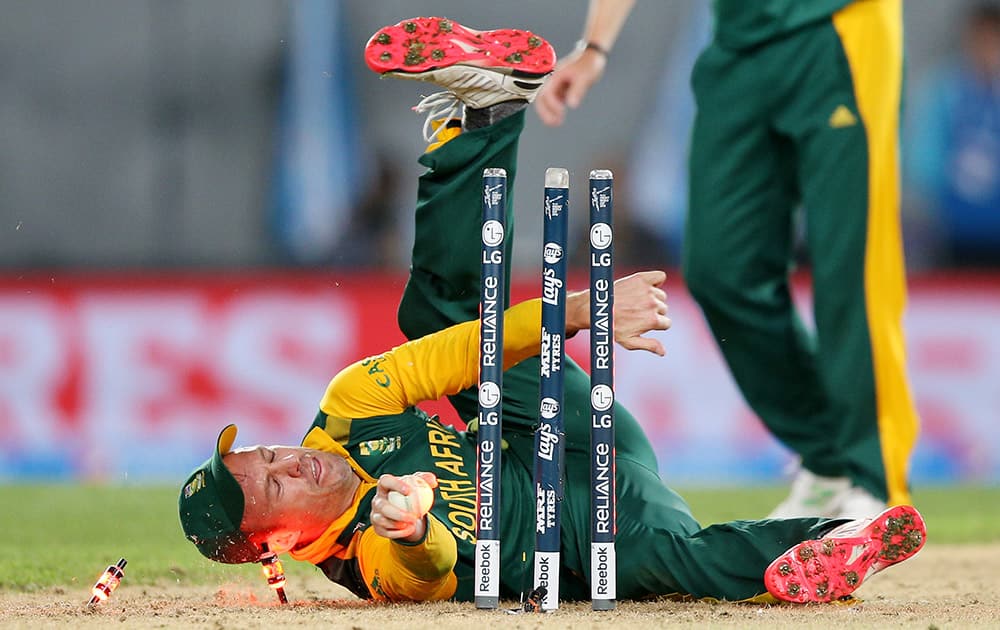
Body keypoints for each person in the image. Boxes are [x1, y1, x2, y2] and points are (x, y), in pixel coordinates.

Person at [178, 16, 926, 605]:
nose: (290, 462)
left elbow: (457, 354)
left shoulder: (344, 411)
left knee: (440, 317)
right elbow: (425, 571)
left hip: (546, 428)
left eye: (269, 455)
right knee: (660, 561)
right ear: (277, 543)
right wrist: (407, 529)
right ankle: (841, 538)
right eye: (273, 486)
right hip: (580, 526)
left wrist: (581, 309)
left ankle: (484, 118)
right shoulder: (368, 559)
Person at [535, 0, 920, 519]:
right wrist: (595, 45)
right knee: (721, 271)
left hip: (839, 27)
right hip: (737, 42)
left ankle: (877, 481)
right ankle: (828, 458)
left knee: (852, 267)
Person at [905, 2, 1000, 268]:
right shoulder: (944, 91)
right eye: (981, 40)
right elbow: (924, 160)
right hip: (953, 232)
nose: (987, 50)